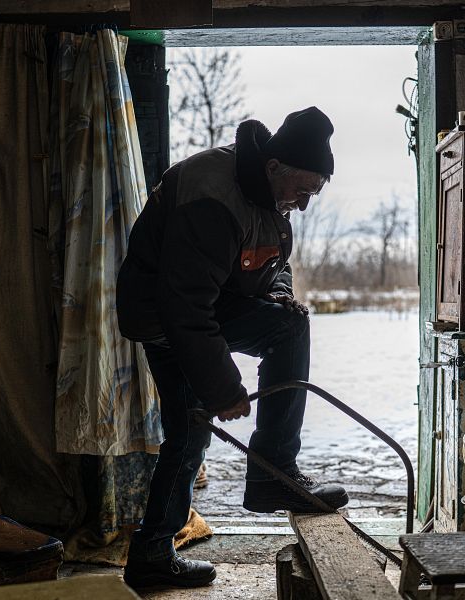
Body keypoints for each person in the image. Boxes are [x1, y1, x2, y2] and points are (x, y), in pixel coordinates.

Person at [117, 107, 348, 588]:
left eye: (314, 194)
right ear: (275, 167)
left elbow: (271, 260)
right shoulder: (213, 196)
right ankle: (152, 556)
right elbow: (183, 308)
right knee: (190, 432)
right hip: (163, 314)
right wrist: (224, 389)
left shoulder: (270, 194)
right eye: (303, 191)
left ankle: (274, 473)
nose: (304, 205)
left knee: (288, 326)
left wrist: (279, 291)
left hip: (207, 302)